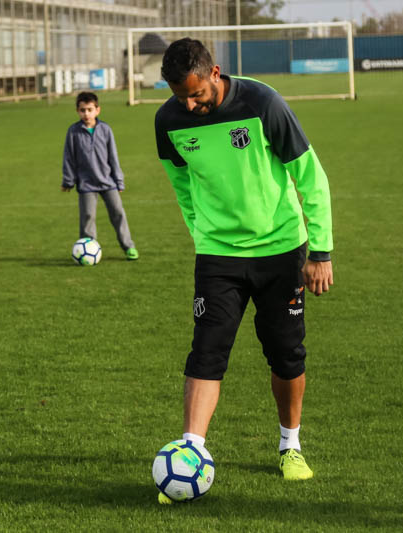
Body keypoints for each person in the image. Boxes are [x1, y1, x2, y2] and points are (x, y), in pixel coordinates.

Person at [154, 38, 333, 503]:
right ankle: (190, 453)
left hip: (280, 250)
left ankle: (289, 445)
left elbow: (310, 177)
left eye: (196, 94)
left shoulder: (262, 103)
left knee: (286, 354)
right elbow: (182, 185)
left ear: (215, 72)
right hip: (218, 255)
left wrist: (322, 253)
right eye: (180, 97)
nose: (190, 105)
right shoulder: (168, 121)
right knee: (206, 352)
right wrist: (202, 235)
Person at [62, 91, 139, 260]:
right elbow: (69, 157)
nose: (86, 114)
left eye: (90, 109)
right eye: (82, 110)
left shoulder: (105, 130)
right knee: (87, 218)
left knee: (118, 213)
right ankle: (88, 252)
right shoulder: (73, 132)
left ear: (98, 110)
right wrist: (68, 181)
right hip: (86, 184)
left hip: (108, 182)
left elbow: (113, 157)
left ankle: (128, 247)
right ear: (77, 111)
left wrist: (119, 181)